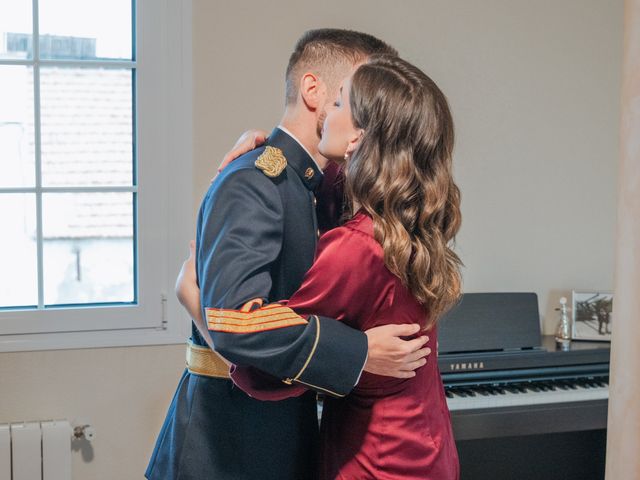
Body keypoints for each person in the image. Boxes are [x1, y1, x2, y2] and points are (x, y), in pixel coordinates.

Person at [145, 30, 432, 480]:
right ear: (315, 91)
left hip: (288, 426)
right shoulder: (254, 181)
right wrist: (357, 353)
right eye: (356, 94)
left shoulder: (324, 187)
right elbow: (234, 318)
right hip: (227, 441)